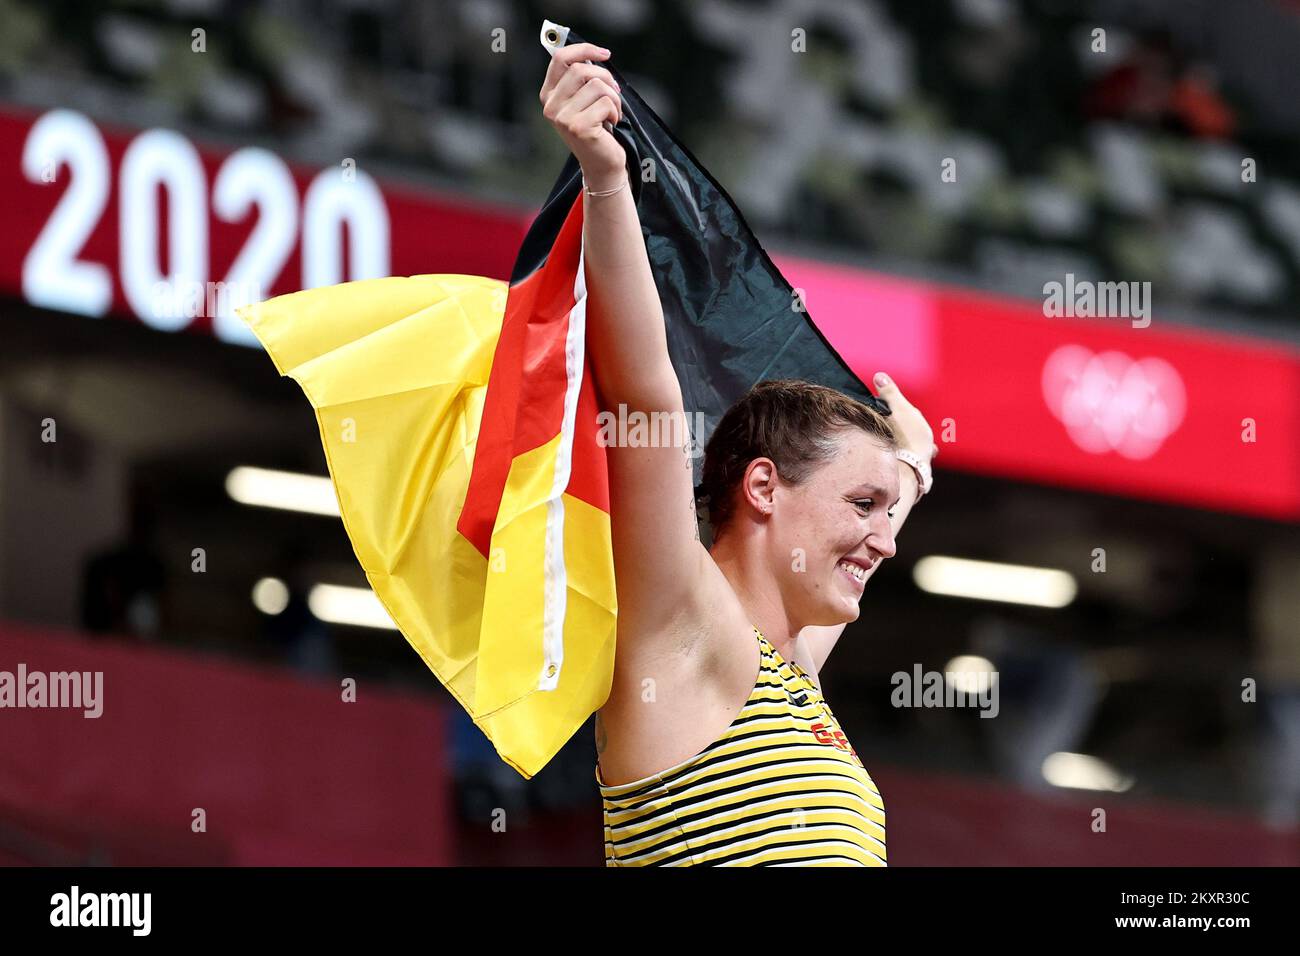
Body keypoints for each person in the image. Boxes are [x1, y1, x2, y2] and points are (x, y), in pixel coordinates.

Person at [539, 42, 938, 866]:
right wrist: (608, 180)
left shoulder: (789, 674)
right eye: (864, 507)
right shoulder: (682, 630)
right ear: (763, 488)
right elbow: (648, 392)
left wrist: (909, 474)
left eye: (886, 513)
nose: (888, 537)